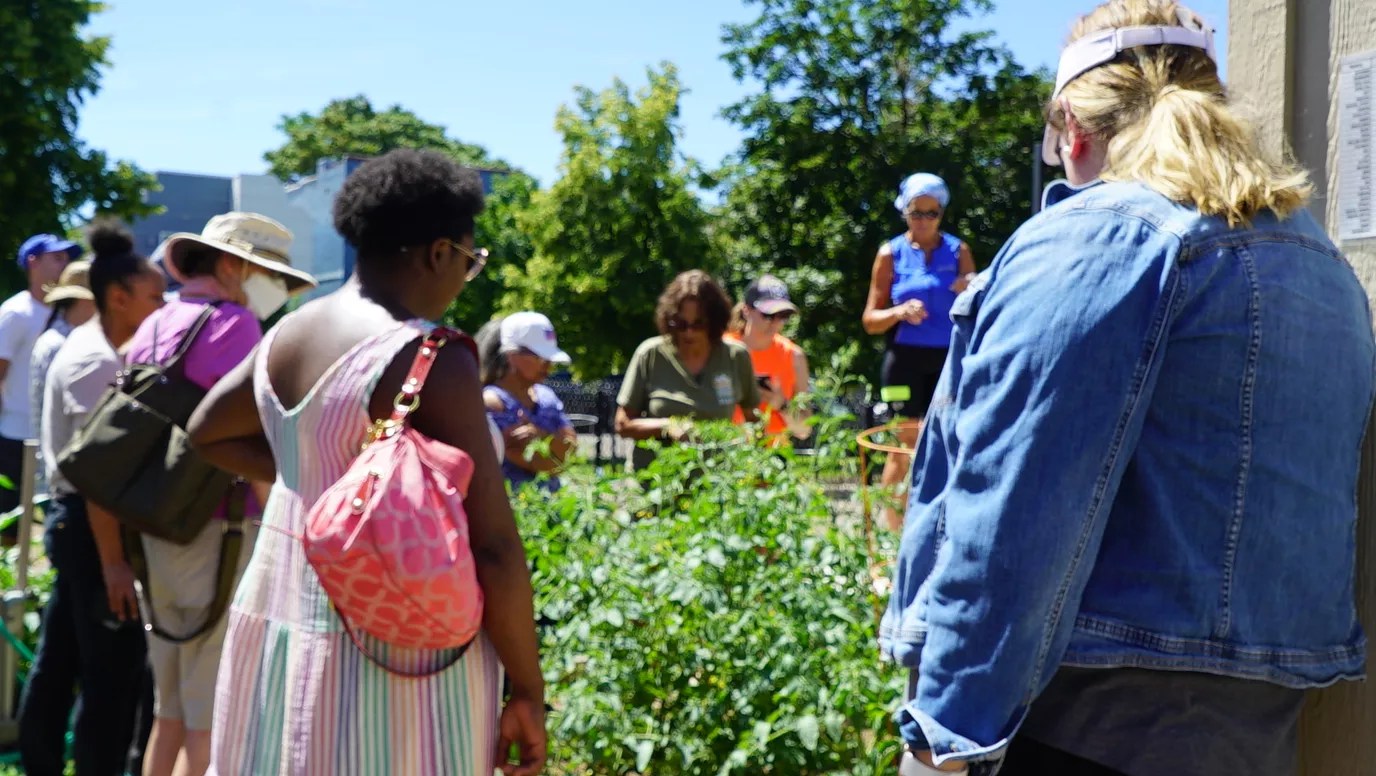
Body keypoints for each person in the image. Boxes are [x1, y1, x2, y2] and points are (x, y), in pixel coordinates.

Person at [880, 3, 1376, 775]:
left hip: (1073, 731)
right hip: (1258, 739)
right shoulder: (1322, 266)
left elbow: (1015, 515)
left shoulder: (1104, 233)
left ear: (1072, 127)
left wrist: (945, 738)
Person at [186, 149, 546, 776]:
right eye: (470, 260)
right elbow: (493, 546)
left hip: (280, 620)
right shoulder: (431, 356)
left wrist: (313, 483)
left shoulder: (283, 338)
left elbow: (205, 432)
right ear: (439, 253)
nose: (466, 277)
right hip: (399, 652)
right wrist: (528, 689)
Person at [125, 212, 316, 776]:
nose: (275, 292)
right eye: (270, 275)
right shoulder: (235, 327)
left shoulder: (156, 323)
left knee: (171, 708)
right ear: (233, 266)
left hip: (154, 525)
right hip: (219, 532)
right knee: (215, 715)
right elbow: (252, 439)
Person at [19, 220, 166, 776]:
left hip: (81, 523)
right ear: (119, 298)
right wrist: (113, 562)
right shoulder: (95, 363)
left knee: (61, 661)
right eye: (156, 297)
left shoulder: (100, 345)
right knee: (112, 677)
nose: (164, 307)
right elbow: (97, 477)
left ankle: (40, 763)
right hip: (92, 526)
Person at [862, 172, 976, 532]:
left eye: (932, 213)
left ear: (942, 214)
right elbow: (869, 320)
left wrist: (968, 290)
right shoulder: (889, 253)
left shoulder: (958, 251)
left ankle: (938, 530)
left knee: (946, 444)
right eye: (916, 213)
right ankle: (891, 536)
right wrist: (898, 312)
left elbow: (978, 309)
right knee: (903, 447)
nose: (924, 221)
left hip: (946, 360)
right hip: (903, 361)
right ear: (904, 212)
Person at [615, 270, 762, 471]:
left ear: (715, 321)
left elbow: (754, 422)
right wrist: (668, 427)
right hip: (656, 484)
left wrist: (754, 461)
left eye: (698, 324)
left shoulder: (735, 357)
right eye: (681, 324)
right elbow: (622, 424)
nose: (689, 332)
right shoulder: (651, 354)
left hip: (717, 484)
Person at [0, 233, 80, 516]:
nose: (65, 263)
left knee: (51, 512)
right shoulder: (15, 313)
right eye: (57, 257)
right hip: (16, 433)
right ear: (33, 262)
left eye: (67, 257)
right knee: (9, 516)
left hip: (53, 432)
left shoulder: (66, 314)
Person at [478, 312, 577, 493]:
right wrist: (554, 441)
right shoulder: (491, 403)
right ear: (512, 355)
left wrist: (541, 436)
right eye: (540, 358)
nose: (548, 366)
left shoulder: (546, 397)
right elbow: (547, 462)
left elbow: (570, 451)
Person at [29, 260, 97, 497]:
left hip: (54, 463)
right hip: (63, 470)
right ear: (86, 300)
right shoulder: (64, 344)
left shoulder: (55, 338)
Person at [725, 275, 811, 442]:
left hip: (774, 459)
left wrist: (781, 404)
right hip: (728, 453)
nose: (776, 323)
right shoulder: (722, 350)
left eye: (783, 315)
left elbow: (804, 430)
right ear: (746, 310)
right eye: (768, 315)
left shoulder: (794, 356)